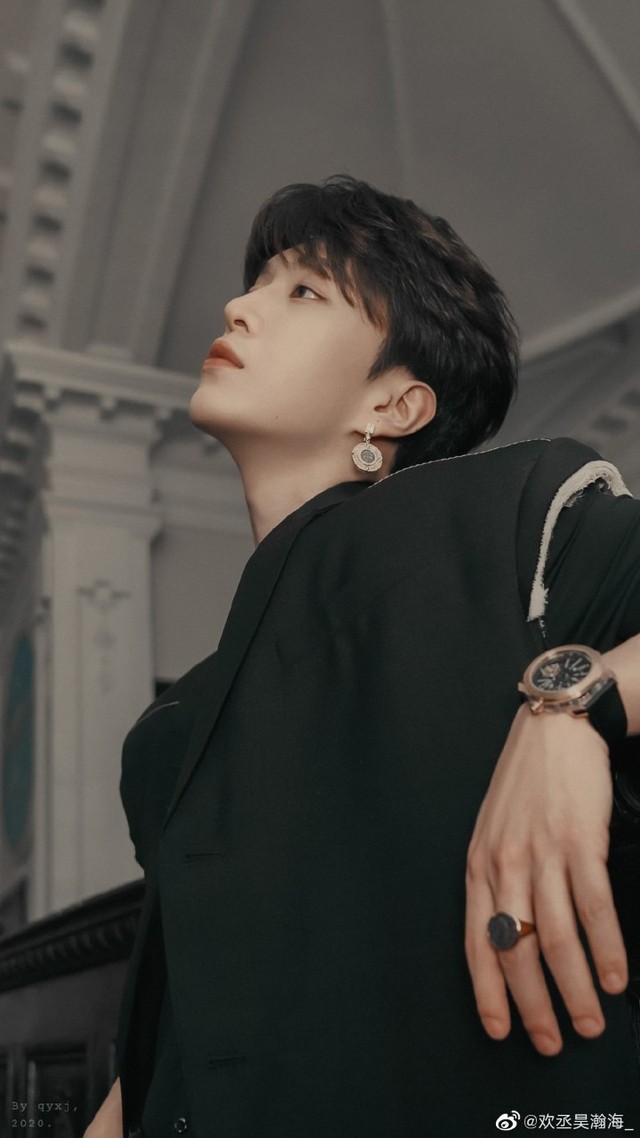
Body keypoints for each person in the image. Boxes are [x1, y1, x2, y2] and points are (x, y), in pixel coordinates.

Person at [84, 176, 640, 1138]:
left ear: (396, 404)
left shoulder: (511, 518)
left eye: (303, 290)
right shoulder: (166, 736)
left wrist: (571, 707)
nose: (238, 306)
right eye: (257, 283)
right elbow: (187, 1031)